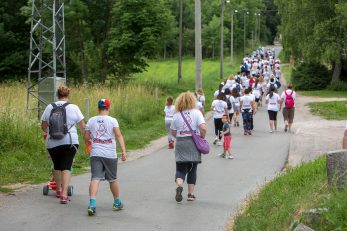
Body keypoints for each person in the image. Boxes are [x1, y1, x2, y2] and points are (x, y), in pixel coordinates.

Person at [41, 85, 85, 204]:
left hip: (52, 142)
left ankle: (58, 190)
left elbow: (44, 127)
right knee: (66, 166)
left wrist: (51, 130)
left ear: (57, 95)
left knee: (57, 166)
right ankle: (64, 195)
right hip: (70, 141)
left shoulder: (49, 107)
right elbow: (83, 127)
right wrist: (88, 138)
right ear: (68, 95)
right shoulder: (74, 107)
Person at [85, 99, 127, 215]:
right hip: (110, 154)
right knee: (112, 179)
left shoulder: (91, 121)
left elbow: (87, 137)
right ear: (108, 108)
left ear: (98, 108)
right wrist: (123, 151)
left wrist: (91, 143)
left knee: (95, 178)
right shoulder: (113, 121)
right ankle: (117, 202)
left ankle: (92, 204)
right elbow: (118, 135)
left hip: (96, 153)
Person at [170, 91, 207, 202]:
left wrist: (180, 137)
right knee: (193, 168)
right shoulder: (197, 113)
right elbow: (203, 128)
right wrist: (202, 137)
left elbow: (173, 131)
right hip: (193, 142)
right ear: (192, 101)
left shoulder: (176, 115)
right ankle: (190, 194)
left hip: (181, 142)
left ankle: (179, 185)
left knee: (180, 168)